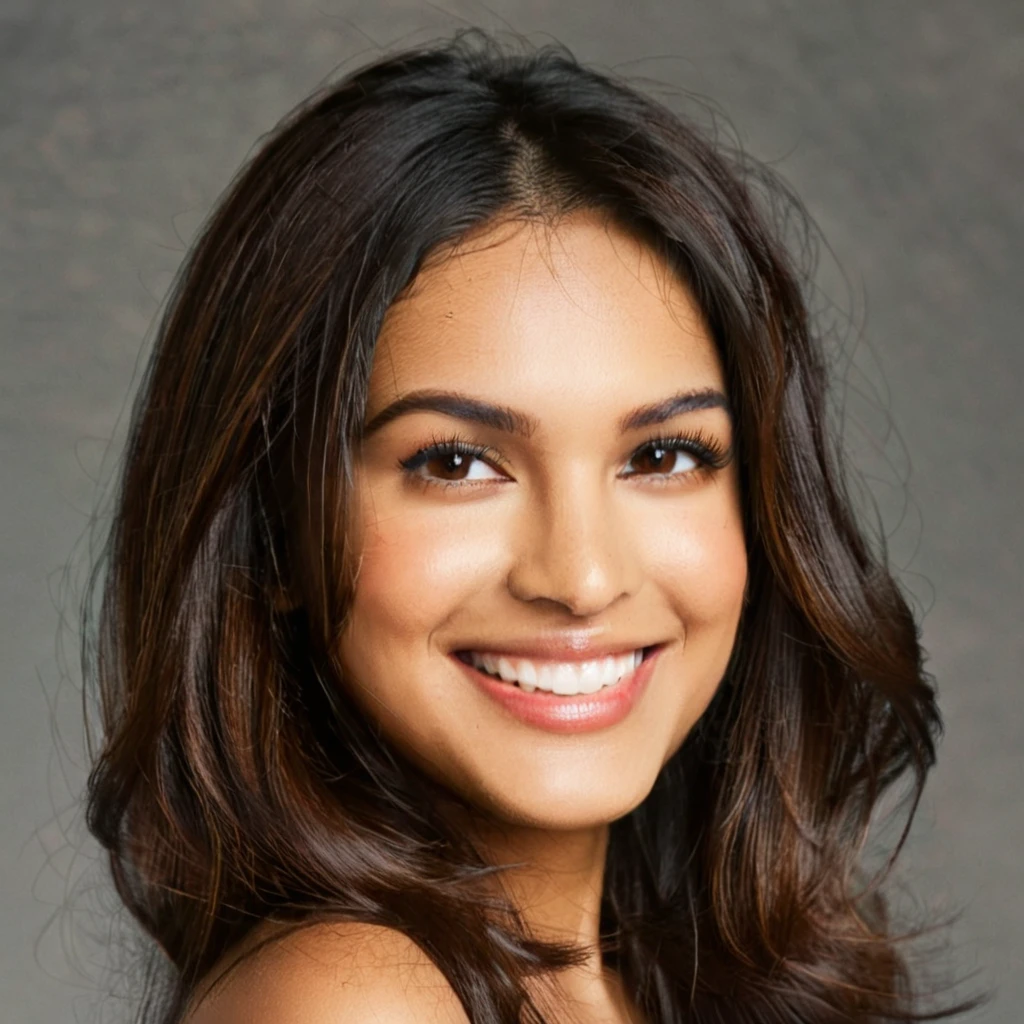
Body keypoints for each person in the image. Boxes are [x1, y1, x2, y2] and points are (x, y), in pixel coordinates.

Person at [82, 28, 974, 1024]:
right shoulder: (351, 1000)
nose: (582, 575)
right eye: (455, 462)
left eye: (661, 456)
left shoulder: (655, 989)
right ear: (277, 525)